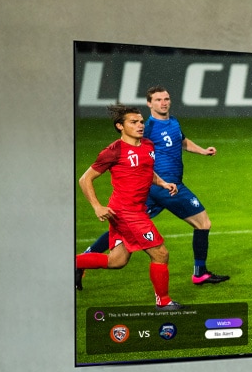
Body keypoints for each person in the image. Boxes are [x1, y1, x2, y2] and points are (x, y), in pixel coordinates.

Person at [78, 85, 228, 289]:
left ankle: (84, 259)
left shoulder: (173, 122)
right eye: (158, 100)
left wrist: (202, 151)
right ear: (149, 103)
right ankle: (199, 273)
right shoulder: (146, 128)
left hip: (158, 186)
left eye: (166, 98)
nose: (163, 102)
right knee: (203, 223)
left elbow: (181, 141)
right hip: (166, 187)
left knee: (123, 228)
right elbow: (130, 151)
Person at [75, 104, 181, 310]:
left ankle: (75, 263)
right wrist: (97, 206)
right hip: (126, 212)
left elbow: (145, 171)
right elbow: (85, 179)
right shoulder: (113, 151)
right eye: (133, 122)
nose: (140, 125)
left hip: (135, 210)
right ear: (120, 126)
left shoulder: (148, 145)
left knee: (117, 260)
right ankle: (164, 301)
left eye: (141, 121)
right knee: (160, 253)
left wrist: (163, 183)